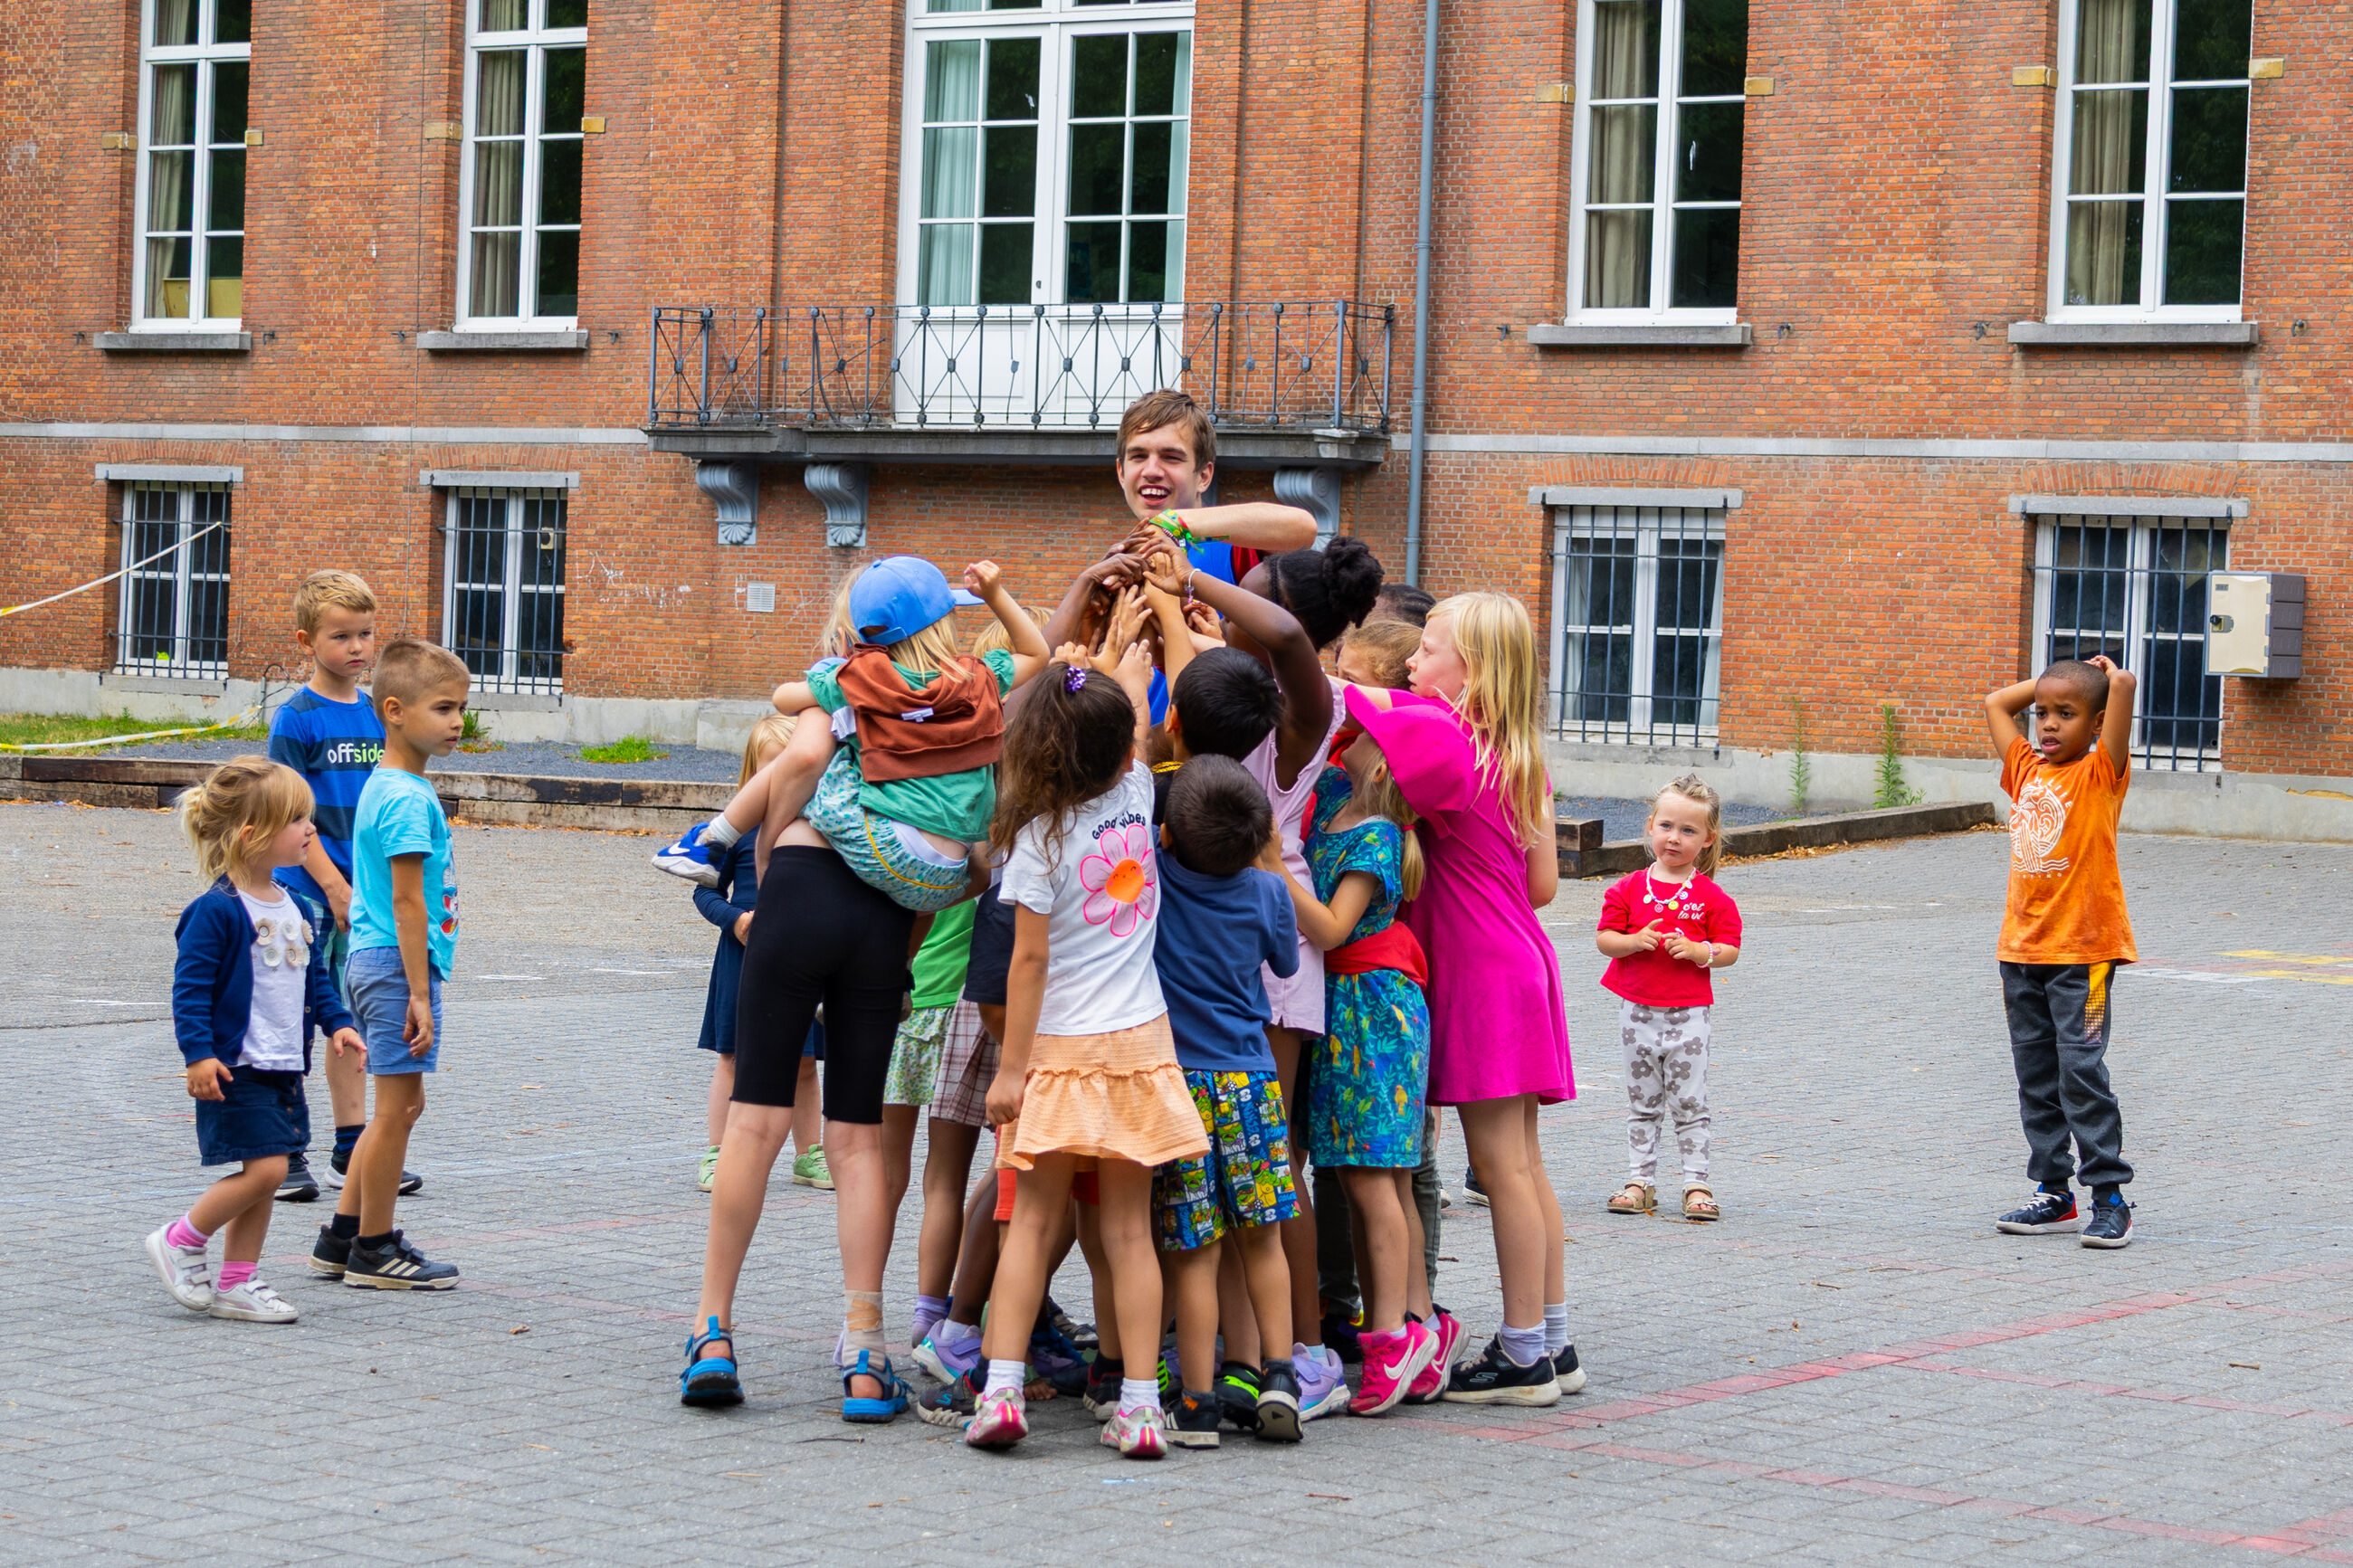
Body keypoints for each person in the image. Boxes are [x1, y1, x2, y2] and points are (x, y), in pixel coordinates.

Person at [1141, 535, 1383, 1423]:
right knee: (1226, 1160)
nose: (1229, 606)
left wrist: (1186, 580)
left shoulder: (1299, 713)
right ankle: (1237, 1352)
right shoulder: (1224, 693)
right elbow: (1201, 645)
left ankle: (1304, 1343)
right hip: (1225, 934)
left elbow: (1280, 631)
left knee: (1269, 1161)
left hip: (1268, 934)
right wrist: (1170, 600)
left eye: (1243, 595)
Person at [963, 646, 1206, 1459]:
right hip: (1139, 1041)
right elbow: (1132, 714)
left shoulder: (1035, 839)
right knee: (1130, 1233)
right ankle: (1139, 1405)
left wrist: (1010, 1070)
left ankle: (1000, 1391)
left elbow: (1026, 963)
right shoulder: (1139, 790)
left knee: (1031, 1226)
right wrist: (1130, 655)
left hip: (1058, 1051)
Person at [1343, 592, 1581, 1403]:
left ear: (1471, 671)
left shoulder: (1449, 743)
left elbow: (1351, 699)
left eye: (1429, 650)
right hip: (1524, 957)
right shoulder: (1520, 757)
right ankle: (1551, 1336)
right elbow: (1543, 885)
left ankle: (1520, 1356)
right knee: (1525, 1162)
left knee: (1496, 1168)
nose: (1413, 661)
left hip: (1478, 972)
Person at [651, 559, 1049, 903]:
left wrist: (825, 687)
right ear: (944, 624)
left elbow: (783, 698)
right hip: (950, 875)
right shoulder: (979, 679)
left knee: (828, 751)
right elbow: (1037, 653)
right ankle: (900, 967)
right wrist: (995, 595)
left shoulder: (859, 680)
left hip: (887, 852)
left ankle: (712, 840)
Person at [1261, 727, 1443, 1415]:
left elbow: (1334, 928)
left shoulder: (1380, 833)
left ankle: (1391, 1336)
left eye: (1362, 730)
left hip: (1372, 1007)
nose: (1345, 733)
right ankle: (1417, 1331)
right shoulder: (1337, 789)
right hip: (1342, 1004)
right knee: (1371, 1174)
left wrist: (1272, 866)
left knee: (1374, 1178)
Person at [148, 757, 363, 1325]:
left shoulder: (294, 905)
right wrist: (198, 1055)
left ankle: (239, 1281)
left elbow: (315, 975)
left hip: (283, 1066)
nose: (310, 831)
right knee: (268, 1171)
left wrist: (338, 1021)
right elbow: (189, 991)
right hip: (235, 1066)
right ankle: (179, 1237)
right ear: (254, 835)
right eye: (298, 820)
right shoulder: (217, 911)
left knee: (265, 1180)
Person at [1149, 755, 1306, 1448]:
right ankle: (1278, 1374)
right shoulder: (1269, 893)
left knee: (1194, 1246)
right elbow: (1287, 965)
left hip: (1178, 1085)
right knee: (1263, 1236)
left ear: (1170, 835)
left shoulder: (1155, 883)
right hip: (1251, 1079)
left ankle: (1200, 1401)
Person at [306, 637, 470, 1290]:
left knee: (399, 1107)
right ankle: (375, 1246)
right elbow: (406, 901)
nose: (457, 721)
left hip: (382, 964)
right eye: (444, 708)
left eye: (462, 708)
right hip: (395, 967)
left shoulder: (396, 784)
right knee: (397, 1109)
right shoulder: (405, 797)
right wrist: (419, 994)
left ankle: (341, 1233)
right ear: (395, 710)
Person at [1983, 655, 2140, 1249]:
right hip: (2021, 954)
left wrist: (2111, 678)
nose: (2047, 724)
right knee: (2037, 1074)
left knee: (2081, 1068)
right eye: (2042, 713)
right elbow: (1998, 703)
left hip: (2088, 957)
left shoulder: (2102, 773)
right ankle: (2054, 1190)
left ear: (2098, 723)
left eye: (2066, 714)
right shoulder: (2023, 768)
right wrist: (2052, 681)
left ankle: (2110, 1195)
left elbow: (2121, 691)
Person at [265, 569, 409, 1204]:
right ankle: (284, 1147)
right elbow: (290, 813)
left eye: (366, 634)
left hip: (367, 890)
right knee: (292, 1015)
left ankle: (352, 1148)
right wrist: (330, 884)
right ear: (307, 640)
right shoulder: (295, 719)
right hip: (307, 892)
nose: (357, 647)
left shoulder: (382, 714)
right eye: (341, 635)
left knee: (351, 1017)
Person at [1596, 775, 1743, 1223]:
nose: (1674, 838)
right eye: (1666, 826)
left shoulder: (1711, 897)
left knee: (1690, 1102)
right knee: (1642, 1101)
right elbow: (1604, 939)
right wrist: (1632, 941)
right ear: (1650, 827)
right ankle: (1640, 1180)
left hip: (1688, 1018)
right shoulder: (1626, 889)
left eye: (1688, 831)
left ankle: (1696, 1182)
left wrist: (1703, 952)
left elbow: (1730, 949)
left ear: (1707, 839)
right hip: (1636, 1013)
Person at [692, 714, 825, 1193]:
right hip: (742, 959)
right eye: (774, 768)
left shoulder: (821, 826)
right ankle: (718, 1152)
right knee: (731, 1057)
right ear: (754, 773)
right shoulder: (736, 831)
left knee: (805, 1063)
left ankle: (809, 1154)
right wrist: (736, 920)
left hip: (804, 960)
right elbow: (704, 892)